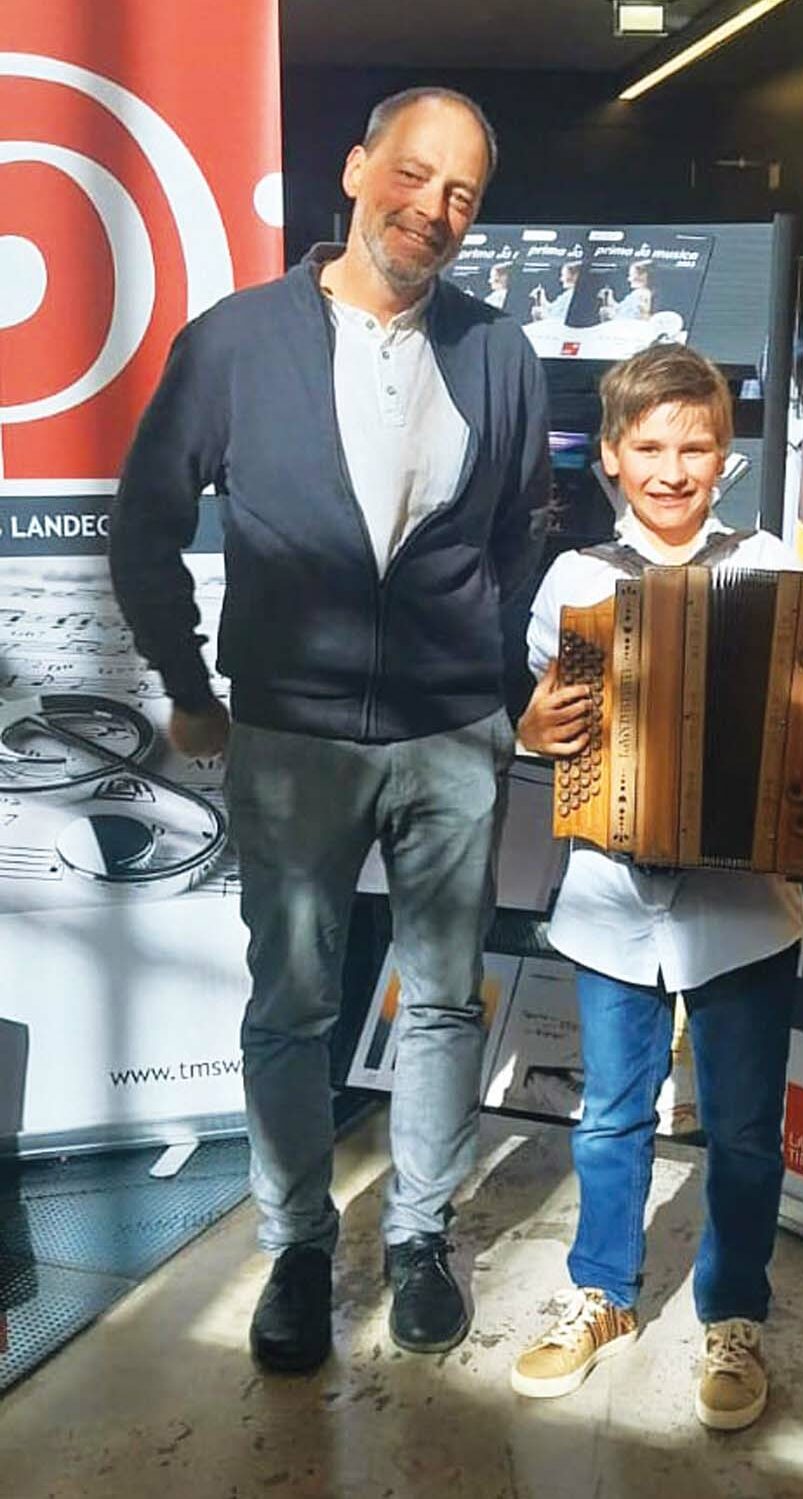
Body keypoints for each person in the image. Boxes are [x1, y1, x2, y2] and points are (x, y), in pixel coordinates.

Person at [110, 87, 550, 1373]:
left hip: (451, 739)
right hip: (292, 738)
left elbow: (525, 533)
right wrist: (189, 683)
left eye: (462, 192)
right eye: (413, 173)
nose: (433, 207)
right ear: (357, 171)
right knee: (293, 1004)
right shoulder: (236, 342)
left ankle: (420, 1236)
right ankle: (299, 1245)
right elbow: (145, 525)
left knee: (441, 1003)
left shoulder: (500, 351)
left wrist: (500, 688)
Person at [510, 344, 803, 1430]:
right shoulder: (575, 580)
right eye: (649, 448)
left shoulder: (775, 568)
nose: (672, 470)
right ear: (611, 458)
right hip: (609, 903)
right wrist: (530, 730)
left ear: (726, 457)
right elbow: (547, 726)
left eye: (695, 447)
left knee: (745, 1131)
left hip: (744, 910)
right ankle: (602, 1293)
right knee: (609, 1118)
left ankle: (733, 1313)